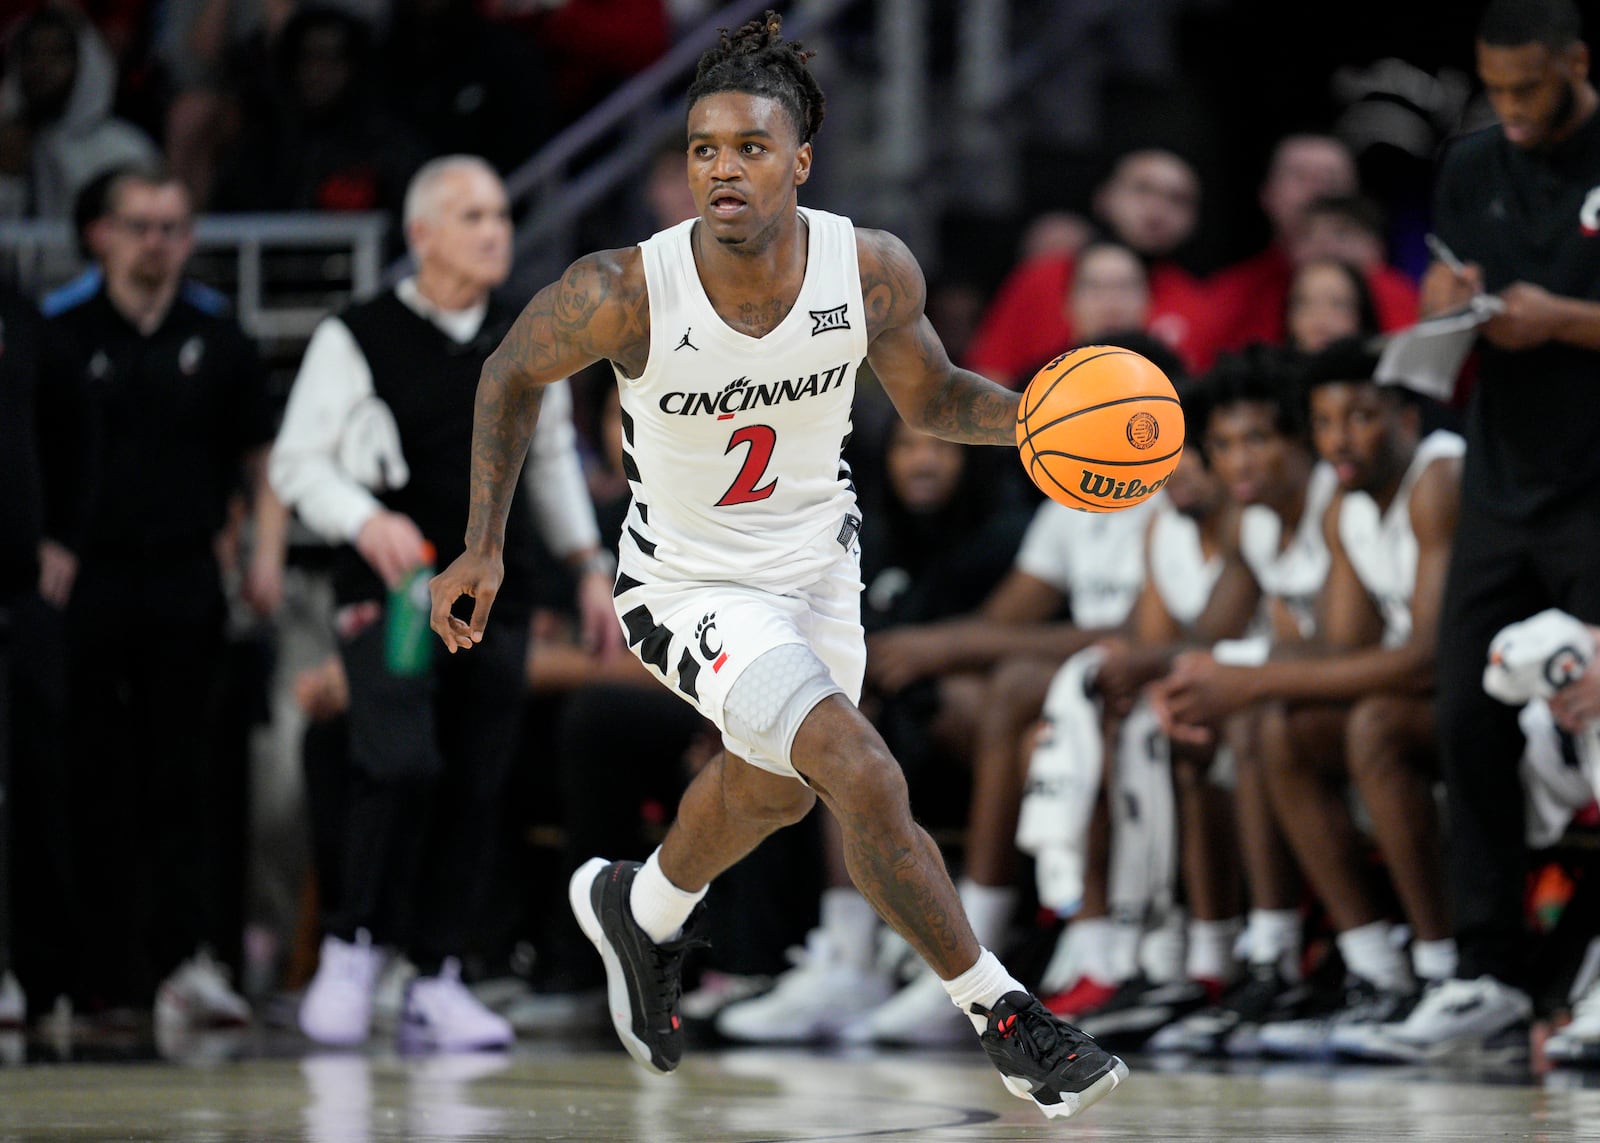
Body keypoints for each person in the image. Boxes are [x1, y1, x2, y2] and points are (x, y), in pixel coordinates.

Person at [427, 12, 1128, 1121]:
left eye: (749, 148)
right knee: (862, 770)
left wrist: (1042, 422)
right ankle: (1006, 1020)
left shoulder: (869, 268)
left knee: (778, 790)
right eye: (704, 149)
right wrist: (482, 541)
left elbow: (935, 399)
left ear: (799, 160)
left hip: (816, 567)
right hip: (685, 588)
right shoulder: (626, 288)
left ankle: (640, 907)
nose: (723, 171)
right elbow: (509, 374)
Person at [270, 153, 621, 1051]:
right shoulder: (357, 336)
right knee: (400, 758)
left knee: (476, 775)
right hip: (393, 595)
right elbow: (296, 463)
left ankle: (437, 973)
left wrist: (588, 565)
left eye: (501, 213)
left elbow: (547, 462)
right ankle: (354, 948)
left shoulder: (525, 340)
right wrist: (365, 520)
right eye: (471, 216)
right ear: (422, 234)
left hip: (493, 594)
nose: (494, 230)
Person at [1364, 0, 1600, 1062]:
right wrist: (1442, 299)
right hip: (1504, 486)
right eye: (1493, 89)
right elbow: (1435, 291)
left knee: (1590, 724)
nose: (1507, 109)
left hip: (1596, 486)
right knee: (1465, 718)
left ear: (1575, 67)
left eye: (1527, 90)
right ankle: (1491, 974)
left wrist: (1564, 321)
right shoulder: (1467, 163)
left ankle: (1582, 979)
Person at [1155, 338, 1465, 1059]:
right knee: (1270, 726)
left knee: (1368, 725)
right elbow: (1344, 650)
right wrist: (1223, 681)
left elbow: (1422, 659)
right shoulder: (1352, 505)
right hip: (1417, 696)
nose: (1340, 439)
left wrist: (1248, 676)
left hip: (1494, 697)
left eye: (1359, 417)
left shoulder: (1436, 476)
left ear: (1405, 418)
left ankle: (1444, 970)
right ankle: (1366, 970)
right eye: (1328, 422)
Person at [36, 165, 276, 1027]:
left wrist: (264, 554)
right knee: (87, 771)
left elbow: (261, 458)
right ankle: (88, 968)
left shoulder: (217, 335)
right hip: (83, 579)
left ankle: (188, 958)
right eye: (139, 224)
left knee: (187, 773)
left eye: (172, 226)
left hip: (184, 576)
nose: (157, 242)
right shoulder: (58, 330)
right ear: (100, 231)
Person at [965, 147, 1208, 383]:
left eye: (1178, 199)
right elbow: (988, 381)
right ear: (1104, 196)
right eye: (1142, 189)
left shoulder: (1197, 305)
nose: (1157, 210)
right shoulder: (1041, 278)